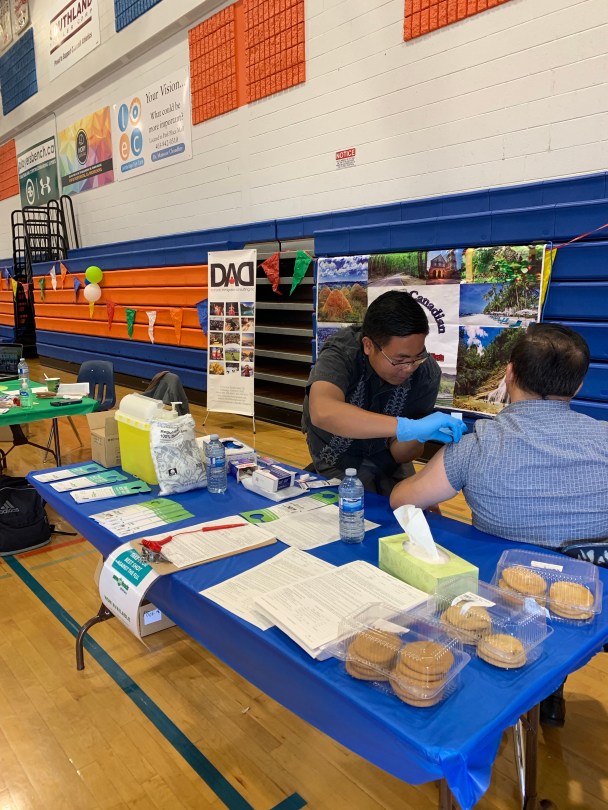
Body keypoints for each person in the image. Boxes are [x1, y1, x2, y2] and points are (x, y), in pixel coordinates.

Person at [390, 323, 608, 727]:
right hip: (588, 613)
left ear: (508, 375)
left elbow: (401, 500)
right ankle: (552, 688)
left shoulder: (477, 444)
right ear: (578, 386)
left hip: (497, 607)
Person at [302, 290, 466, 495]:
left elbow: (399, 454)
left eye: (418, 356)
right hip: (335, 451)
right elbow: (323, 412)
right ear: (368, 345)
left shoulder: (426, 374)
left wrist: (418, 435)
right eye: (399, 360)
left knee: (414, 504)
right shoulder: (343, 352)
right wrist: (406, 426)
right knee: (358, 502)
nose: (409, 368)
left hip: (385, 455)